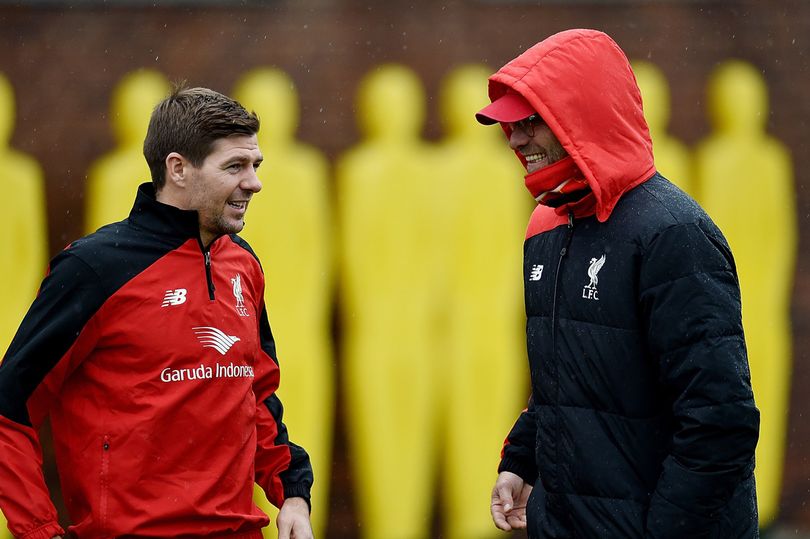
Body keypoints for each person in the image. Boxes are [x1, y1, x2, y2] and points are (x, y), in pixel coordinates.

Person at [476, 29, 760, 538]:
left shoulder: (674, 235)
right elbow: (563, 384)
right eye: (510, 125)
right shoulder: (547, 226)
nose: (514, 139)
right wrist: (521, 461)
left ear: (579, 116)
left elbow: (720, 422)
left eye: (530, 122)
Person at [0, 86, 314, 539]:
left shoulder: (242, 263)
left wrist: (294, 495)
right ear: (178, 169)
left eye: (255, 165)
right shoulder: (95, 268)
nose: (254, 182)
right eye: (235, 166)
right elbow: (9, 409)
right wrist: (39, 531)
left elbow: (257, 394)